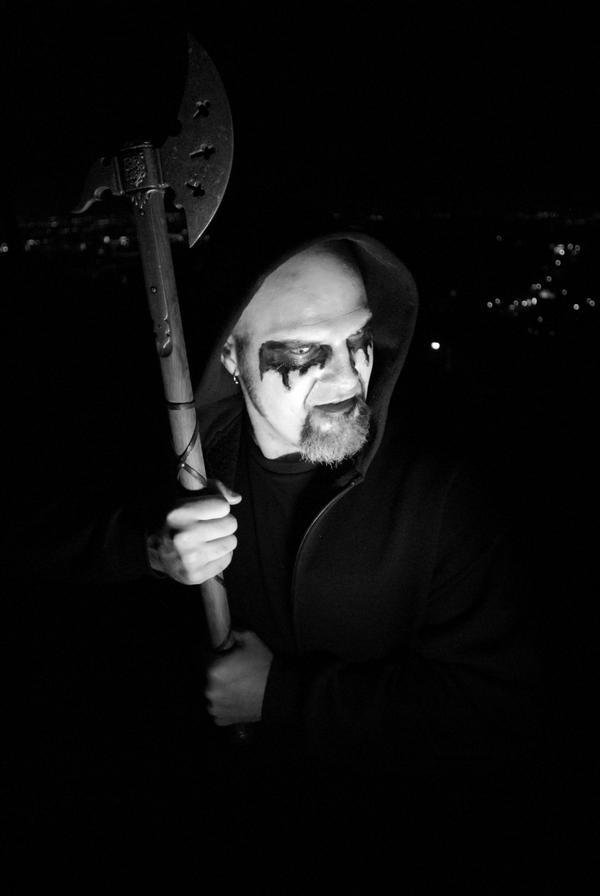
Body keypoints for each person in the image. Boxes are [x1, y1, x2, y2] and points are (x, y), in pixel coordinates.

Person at [143, 230, 541, 788]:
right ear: (231, 353)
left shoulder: (443, 494)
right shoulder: (189, 465)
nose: (349, 377)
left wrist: (282, 696)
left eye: (358, 337)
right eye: (303, 350)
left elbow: (499, 705)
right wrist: (151, 551)